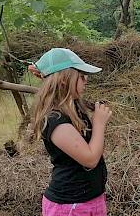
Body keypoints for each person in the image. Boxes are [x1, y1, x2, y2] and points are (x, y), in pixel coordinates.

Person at [29, 48, 110, 216]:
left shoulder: (72, 107)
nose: (86, 80)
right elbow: (90, 159)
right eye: (81, 76)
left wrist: (45, 72)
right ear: (65, 80)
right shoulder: (55, 120)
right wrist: (99, 124)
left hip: (90, 199)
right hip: (70, 206)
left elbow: (58, 88)